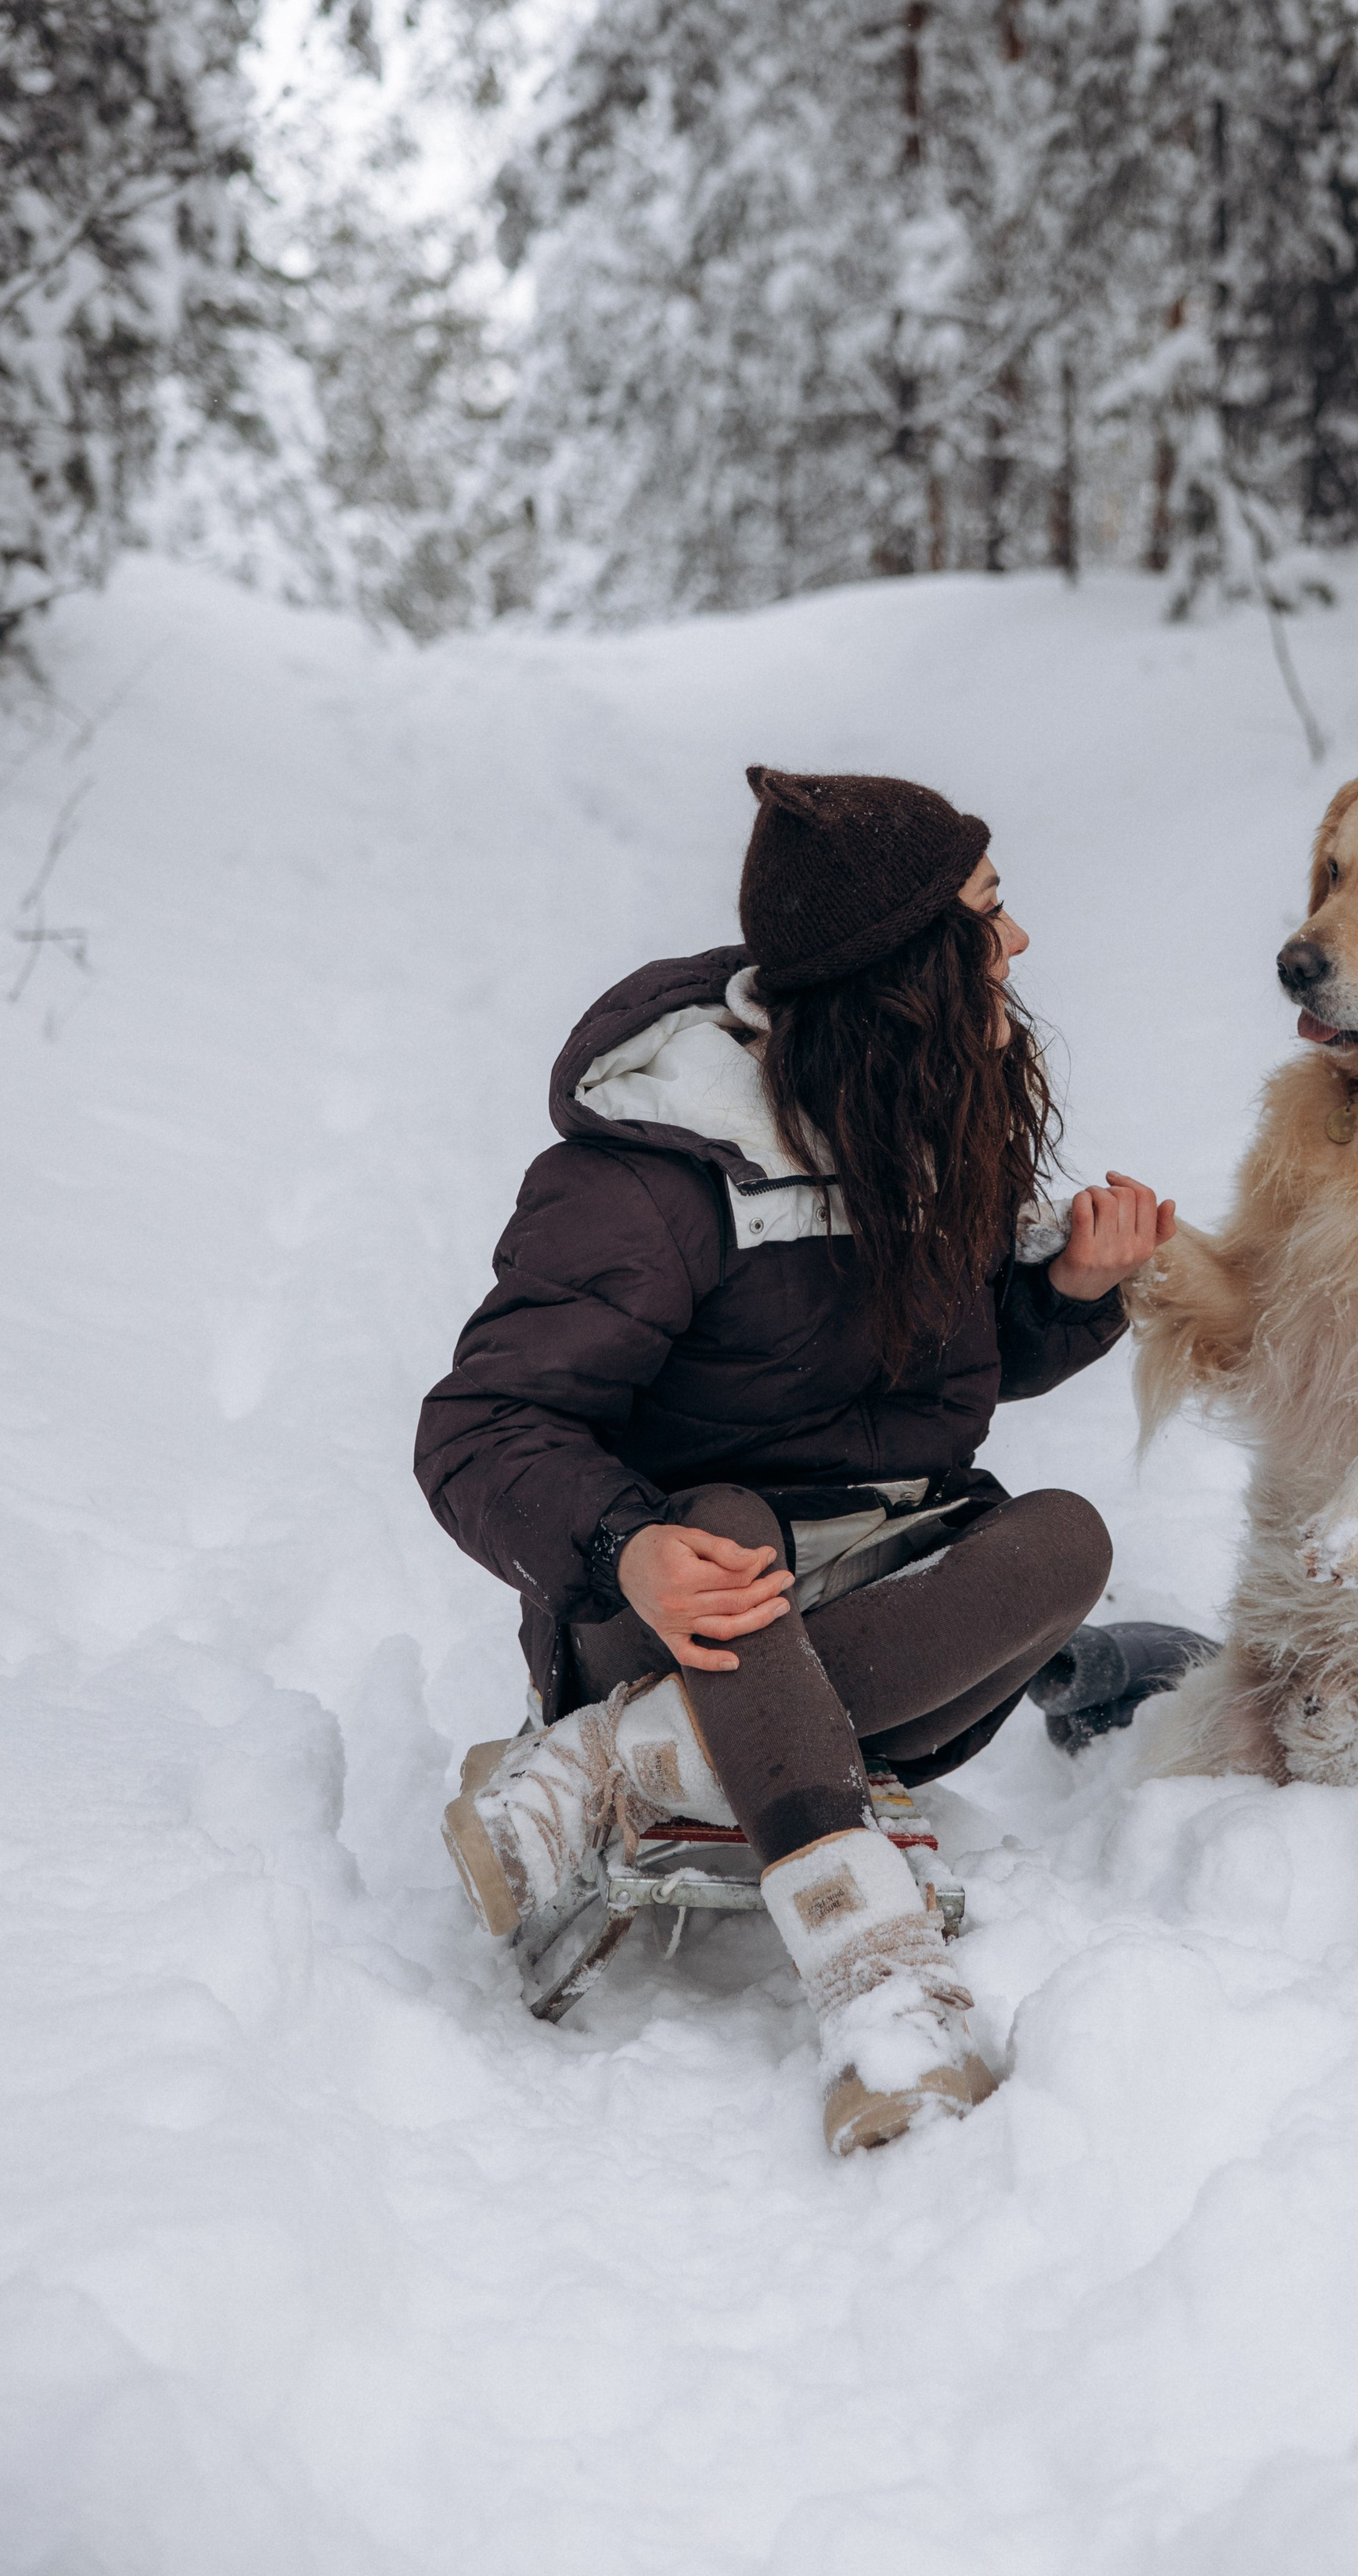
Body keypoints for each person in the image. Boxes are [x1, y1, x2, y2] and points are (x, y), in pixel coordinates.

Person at [415, 765, 1173, 2153]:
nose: (1019, 946)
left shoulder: (930, 1114)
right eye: (990, 915)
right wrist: (623, 1546)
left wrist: (1066, 1290)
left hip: (891, 1593)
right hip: (680, 1603)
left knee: (1068, 1536)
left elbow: (934, 1375)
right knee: (729, 1515)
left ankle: (623, 1771)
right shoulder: (654, 1175)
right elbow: (477, 1427)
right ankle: (881, 1987)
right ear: (904, 967)